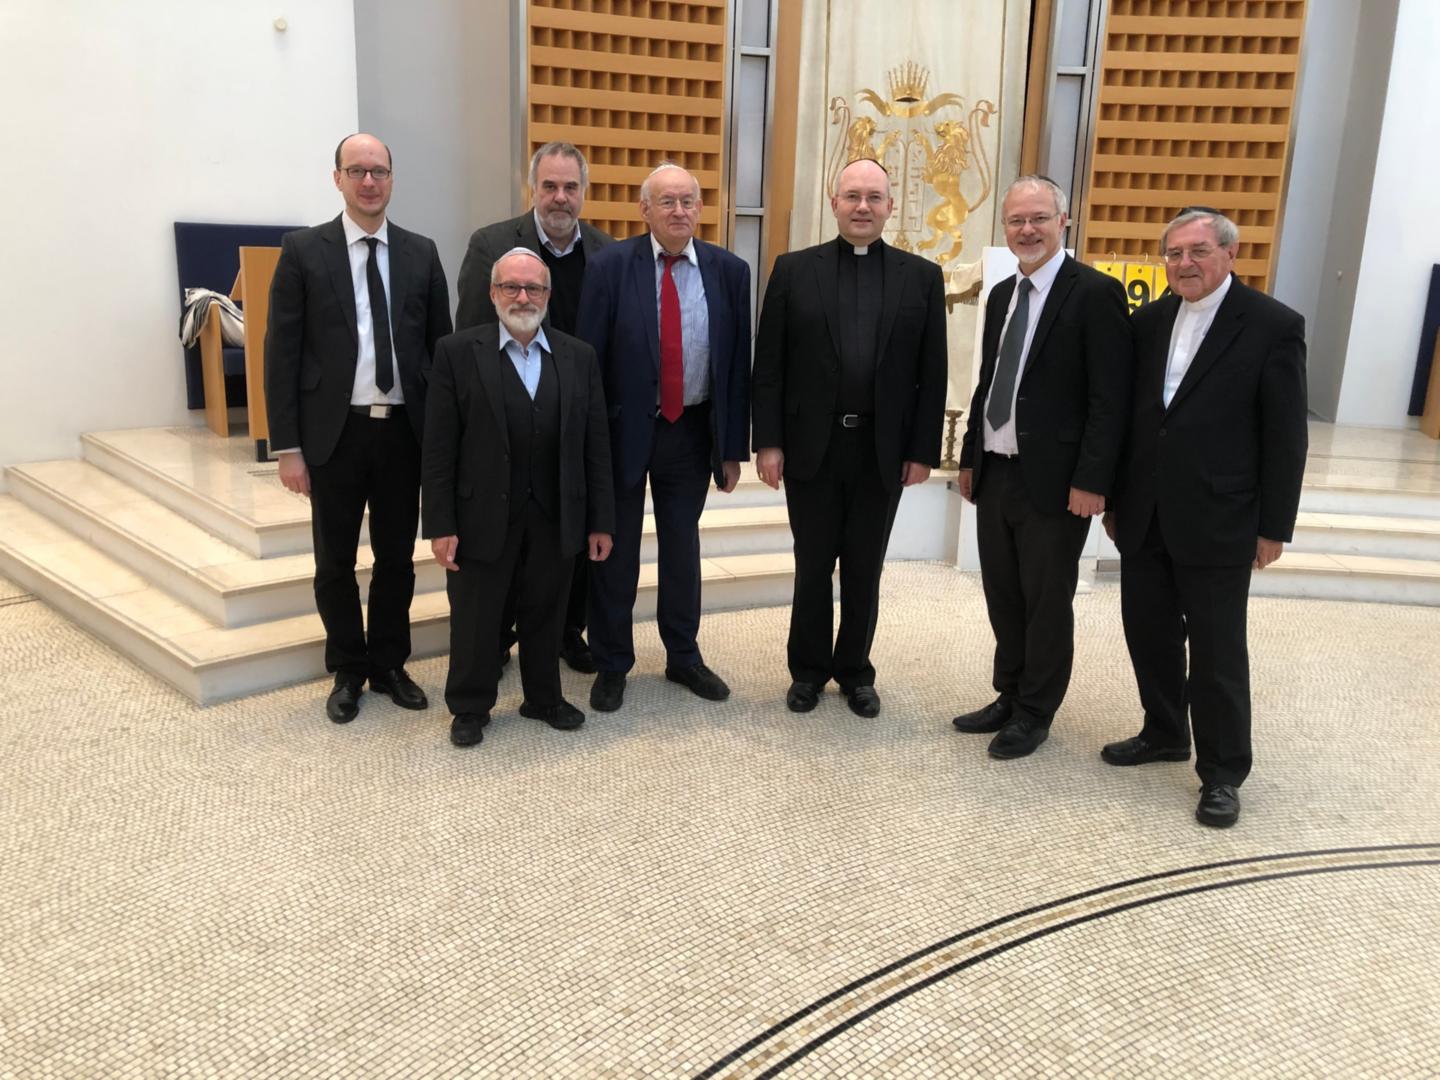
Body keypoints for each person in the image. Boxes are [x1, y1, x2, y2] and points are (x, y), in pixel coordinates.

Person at [1100, 208, 1307, 828]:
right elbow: (1132, 421)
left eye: (1197, 252)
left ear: (1229, 255)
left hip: (1221, 517)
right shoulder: (1148, 321)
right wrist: (1115, 499)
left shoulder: (1273, 325)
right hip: (1145, 513)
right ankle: (1164, 730)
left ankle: (1222, 772)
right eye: (1173, 254)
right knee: (1150, 631)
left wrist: (1274, 527)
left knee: (1217, 653)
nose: (1184, 264)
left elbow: (1285, 436)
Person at [265, 133, 452, 724]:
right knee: (334, 561)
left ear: (392, 179)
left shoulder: (422, 253)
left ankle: (390, 663)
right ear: (338, 178)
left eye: (379, 171)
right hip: (334, 434)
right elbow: (282, 354)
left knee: (396, 559)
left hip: (403, 433)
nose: (369, 181)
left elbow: (440, 352)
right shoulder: (303, 251)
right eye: (357, 171)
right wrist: (288, 447)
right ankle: (348, 668)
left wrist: (443, 437)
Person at [751, 158, 947, 717]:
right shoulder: (792, 270)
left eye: (875, 198)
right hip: (813, 446)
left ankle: (856, 671)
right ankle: (808, 671)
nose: (863, 207)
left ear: (890, 206)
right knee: (812, 564)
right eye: (853, 196)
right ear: (834, 203)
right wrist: (768, 441)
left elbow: (931, 374)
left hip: (881, 451)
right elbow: (771, 365)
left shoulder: (921, 278)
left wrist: (921, 450)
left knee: (865, 566)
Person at [951, 175, 1131, 758]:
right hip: (998, 472)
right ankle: (1009, 693)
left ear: (1063, 222)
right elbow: (987, 384)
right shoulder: (1003, 292)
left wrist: (1092, 481)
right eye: (1015, 221)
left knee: (1046, 600)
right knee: (1003, 593)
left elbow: (1110, 399)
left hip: (1056, 483)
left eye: (1038, 219)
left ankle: (1035, 711)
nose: (1026, 230)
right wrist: (970, 458)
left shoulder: (1094, 294)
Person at [575, 162, 751, 713]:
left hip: (692, 430)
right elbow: (588, 360)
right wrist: (589, 444)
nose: (679, 211)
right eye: (667, 202)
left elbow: (735, 365)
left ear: (701, 209)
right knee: (615, 550)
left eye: (688, 202)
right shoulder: (608, 267)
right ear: (644, 209)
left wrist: (730, 448)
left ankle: (683, 655)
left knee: (683, 547)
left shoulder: (730, 271)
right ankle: (611, 661)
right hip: (624, 430)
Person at [422, 248, 615, 748]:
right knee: (476, 615)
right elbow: (439, 449)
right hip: (480, 511)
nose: (523, 297)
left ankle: (543, 698)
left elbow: (596, 446)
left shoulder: (579, 356)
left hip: (557, 511)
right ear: (492, 293)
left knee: (547, 612)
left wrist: (601, 520)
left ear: (549, 296)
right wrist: (440, 524)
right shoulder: (456, 353)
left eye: (534, 288)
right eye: (511, 287)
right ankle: (469, 704)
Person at [454, 143, 614, 674]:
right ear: (533, 189)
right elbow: (471, 342)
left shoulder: (605, 253)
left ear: (583, 192)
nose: (560, 198)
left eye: (570, 187)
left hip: (573, 426)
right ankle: (496, 638)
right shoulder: (493, 246)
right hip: (505, 425)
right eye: (549, 186)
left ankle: (564, 633)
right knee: (502, 538)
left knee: (565, 537)